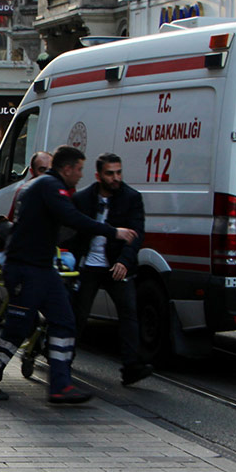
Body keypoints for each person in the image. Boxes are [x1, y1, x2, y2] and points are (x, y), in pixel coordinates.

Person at [0, 145, 137, 403]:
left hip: (40, 267)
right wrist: (113, 232)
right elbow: (71, 218)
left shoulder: (43, 185)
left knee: (64, 320)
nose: (81, 175)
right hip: (26, 268)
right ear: (67, 169)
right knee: (18, 327)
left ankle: (60, 385)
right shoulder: (50, 186)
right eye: (79, 169)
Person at [67, 153, 151, 386]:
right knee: (79, 314)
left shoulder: (131, 198)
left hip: (116, 264)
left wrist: (124, 261)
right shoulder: (83, 198)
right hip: (89, 265)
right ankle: (64, 358)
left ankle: (131, 366)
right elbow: (74, 233)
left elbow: (136, 234)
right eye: (110, 173)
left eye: (118, 172)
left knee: (128, 313)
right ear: (99, 176)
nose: (116, 178)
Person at [8, 151, 52, 217]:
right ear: (32, 171)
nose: (47, 174)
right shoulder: (25, 192)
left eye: (50, 170)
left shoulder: (59, 189)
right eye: (42, 170)